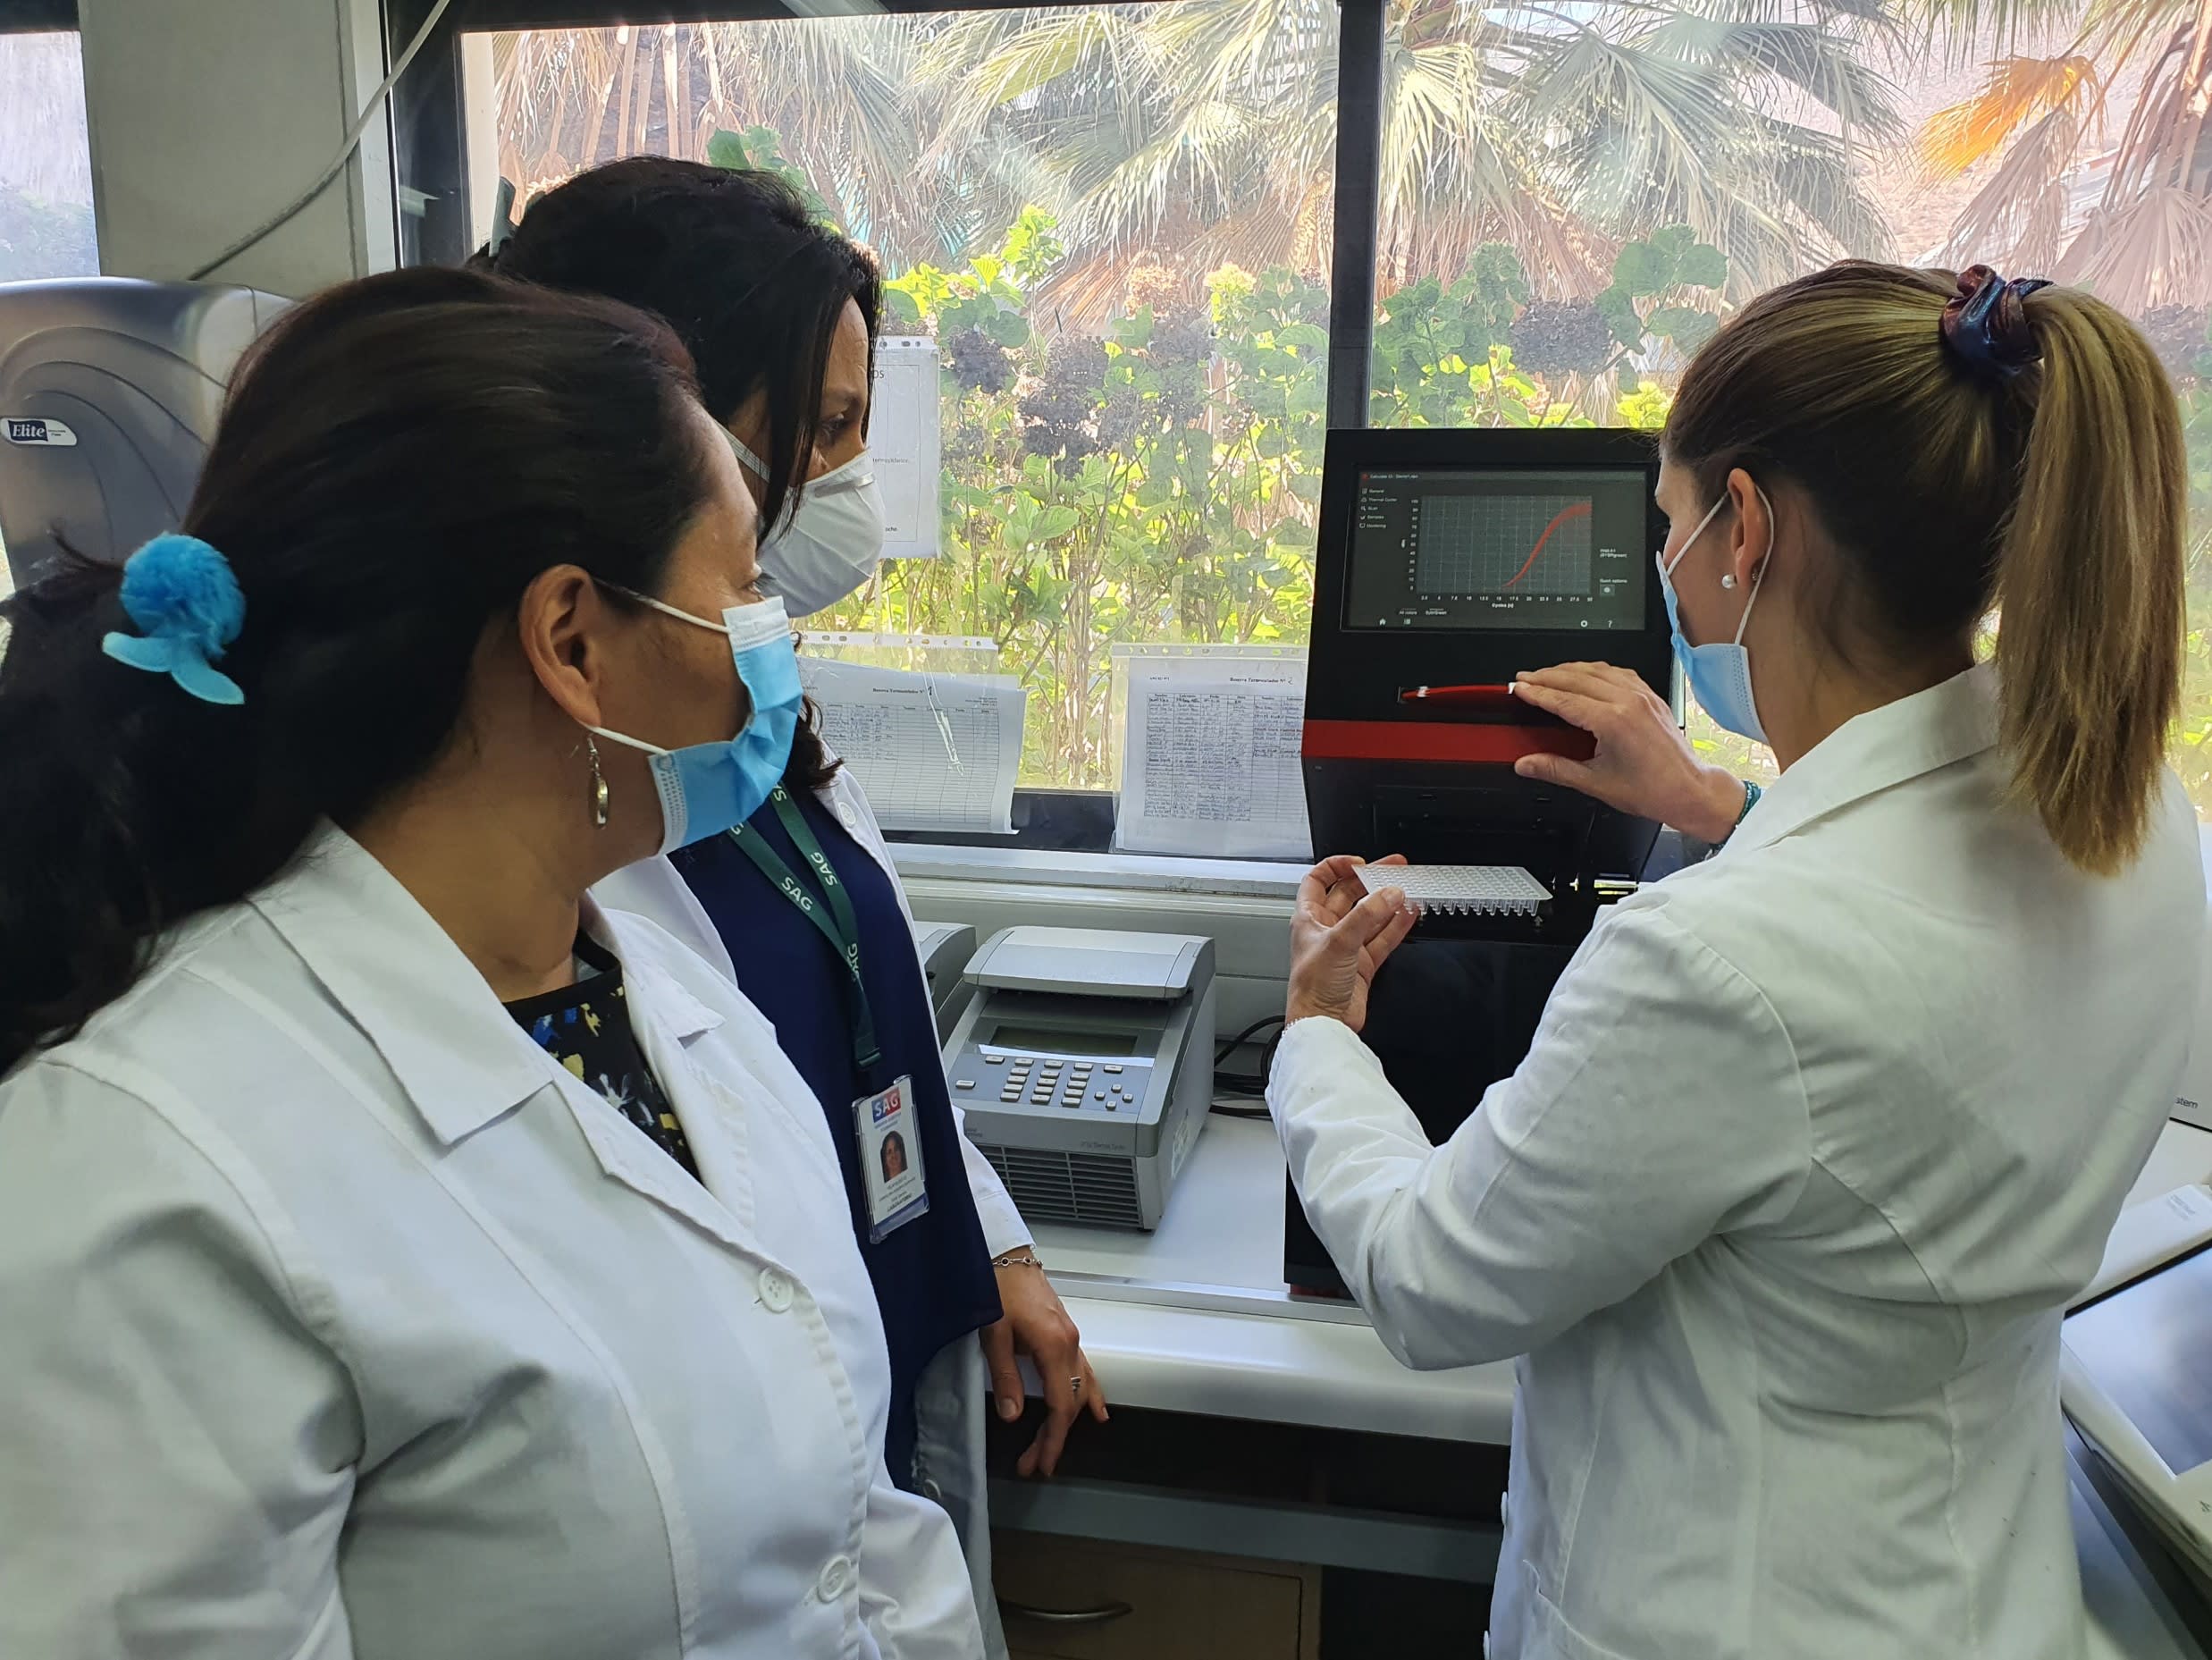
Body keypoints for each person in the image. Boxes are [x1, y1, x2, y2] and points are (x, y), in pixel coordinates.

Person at [0, 267, 984, 1658]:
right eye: (746, 586)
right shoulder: (149, 1177)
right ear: (572, 638)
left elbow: (858, 1536)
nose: (776, 645)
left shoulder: (670, 998)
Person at [1272, 263, 2207, 1660]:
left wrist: (1318, 1031)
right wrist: (1717, 803)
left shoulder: (1713, 964)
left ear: (1747, 530)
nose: (1668, 566)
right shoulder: (2139, 834)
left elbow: (1425, 1273)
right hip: (1982, 1597)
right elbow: (1893, 906)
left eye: (1668, 521)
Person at [486, 156, 1102, 1611]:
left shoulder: (750, 724)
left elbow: (864, 1017)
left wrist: (986, 1232)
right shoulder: (571, 824)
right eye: (817, 431)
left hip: (885, 1334)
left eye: (855, 430)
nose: (842, 484)